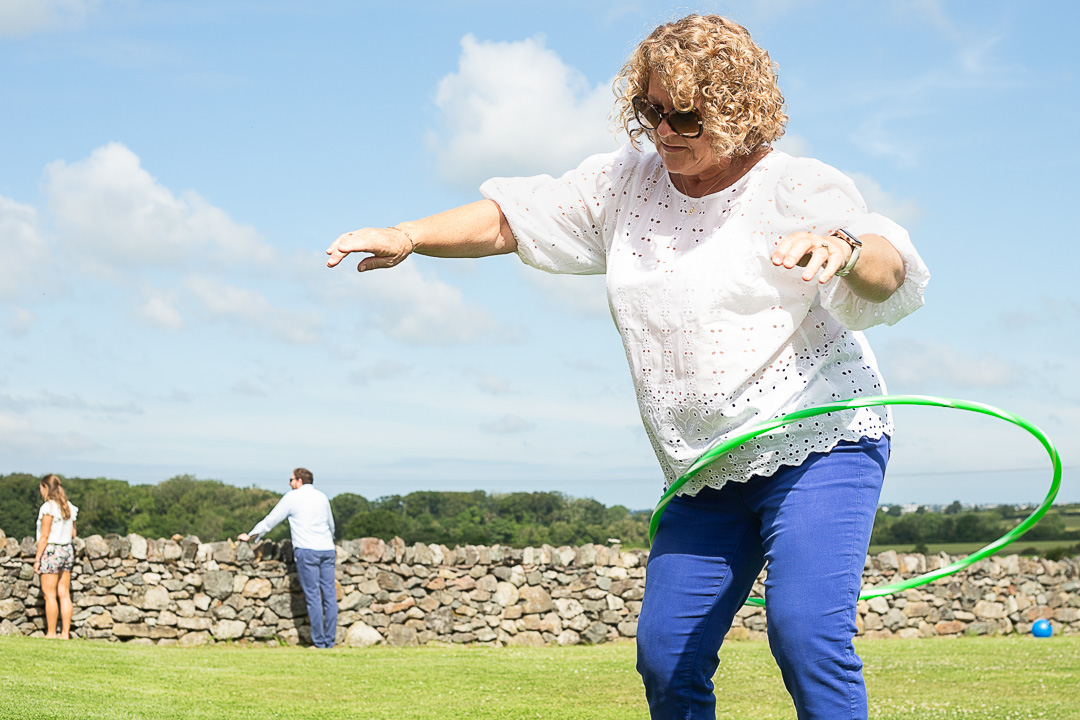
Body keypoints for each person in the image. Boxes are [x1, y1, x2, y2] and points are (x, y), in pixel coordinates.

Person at [326, 13, 929, 720]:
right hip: (705, 466)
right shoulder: (623, 185)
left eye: (685, 115)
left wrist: (847, 248)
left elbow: (886, 266)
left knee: (802, 633)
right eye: (649, 112)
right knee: (666, 657)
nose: (664, 132)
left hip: (818, 444)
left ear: (737, 107)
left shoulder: (794, 187)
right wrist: (407, 236)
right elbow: (508, 218)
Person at [238, 468, 338, 648]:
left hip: (307, 550)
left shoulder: (292, 497)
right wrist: (330, 540)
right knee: (329, 596)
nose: (290, 484)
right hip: (327, 549)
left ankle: (319, 642)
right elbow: (331, 524)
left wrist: (252, 535)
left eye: (291, 480)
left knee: (314, 596)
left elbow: (272, 519)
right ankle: (330, 641)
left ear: (299, 481)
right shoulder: (322, 497)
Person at [33, 474, 79, 639]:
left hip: (52, 551)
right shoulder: (69, 507)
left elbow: (44, 536)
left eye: (41, 488)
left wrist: (37, 559)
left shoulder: (48, 508)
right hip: (67, 550)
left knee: (49, 594)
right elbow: (74, 533)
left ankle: (51, 632)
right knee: (64, 593)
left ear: (46, 487)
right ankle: (65, 633)